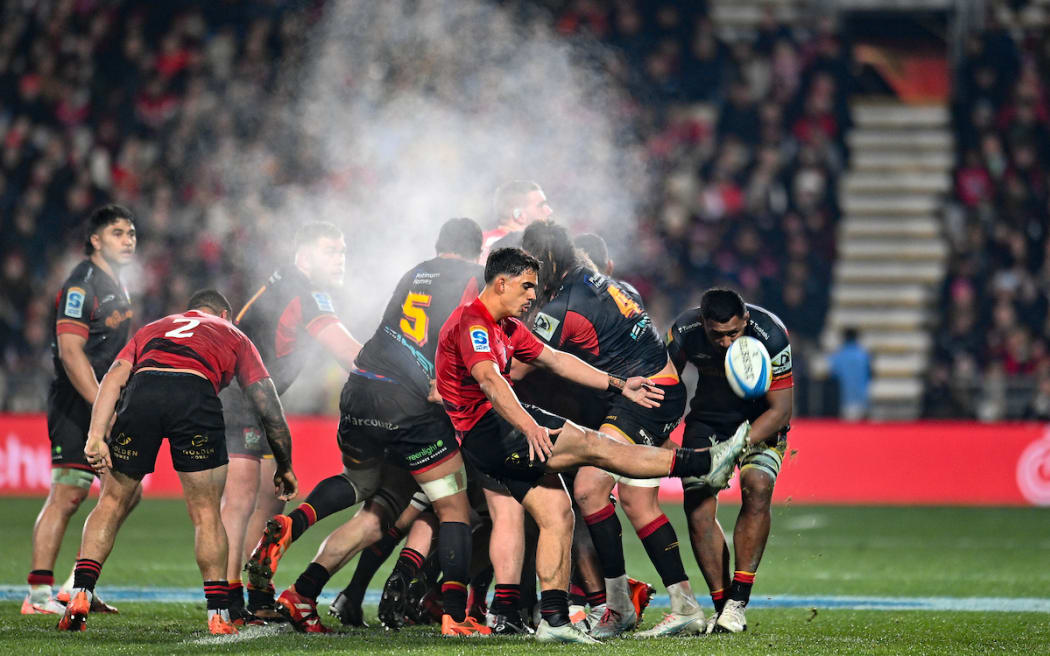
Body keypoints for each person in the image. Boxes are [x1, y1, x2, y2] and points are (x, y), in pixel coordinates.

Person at [435, 248, 749, 644]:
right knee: (594, 446)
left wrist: (620, 384)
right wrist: (529, 425)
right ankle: (703, 463)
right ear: (502, 283)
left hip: (495, 432)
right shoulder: (473, 322)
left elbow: (557, 360)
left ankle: (553, 620)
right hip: (491, 431)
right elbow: (492, 382)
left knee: (558, 513)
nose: (533, 295)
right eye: (527, 286)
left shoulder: (508, 326)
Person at [245, 217, 490, 636]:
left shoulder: (414, 273)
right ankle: (455, 615)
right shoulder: (476, 278)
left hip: (360, 391)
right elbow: (469, 335)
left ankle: (300, 576)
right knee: (452, 507)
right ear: (477, 251)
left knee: (372, 496)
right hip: (412, 404)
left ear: (438, 244)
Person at [55, 290, 298, 635]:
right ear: (224, 314)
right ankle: (218, 615)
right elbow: (269, 405)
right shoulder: (233, 333)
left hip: (143, 391)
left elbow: (113, 377)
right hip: (194, 394)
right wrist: (284, 464)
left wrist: (96, 435)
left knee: (110, 501)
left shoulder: (154, 328)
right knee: (206, 512)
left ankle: (80, 594)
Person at [520, 222, 705, 638]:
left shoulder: (560, 308)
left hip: (645, 396)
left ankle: (618, 607)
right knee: (640, 505)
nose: (530, 280)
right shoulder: (600, 280)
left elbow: (517, 366)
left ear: (547, 260)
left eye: (533, 267)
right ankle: (683, 606)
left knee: (587, 488)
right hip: (661, 388)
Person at [219, 221, 362, 622]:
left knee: (269, 499)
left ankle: (256, 593)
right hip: (238, 398)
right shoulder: (308, 292)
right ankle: (228, 600)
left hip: (257, 400)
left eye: (342, 250)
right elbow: (349, 356)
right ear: (304, 257)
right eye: (330, 251)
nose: (340, 258)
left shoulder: (285, 282)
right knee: (242, 501)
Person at [24, 204, 137, 616]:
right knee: (68, 493)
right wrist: (101, 409)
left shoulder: (117, 284)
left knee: (128, 489)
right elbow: (72, 353)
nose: (128, 240)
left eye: (131, 234)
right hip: (79, 400)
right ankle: (37, 596)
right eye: (118, 233)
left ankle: (77, 585)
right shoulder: (81, 285)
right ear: (95, 240)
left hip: (103, 401)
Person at [666, 288, 793, 633]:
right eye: (716, 335)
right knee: (697, 505)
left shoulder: (772, 333)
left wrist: (735, 448)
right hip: (707, 420)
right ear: (703, 322)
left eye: (733, 333)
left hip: (759, 421)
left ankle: (738, 600)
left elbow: (781, 409)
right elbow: (664, 385)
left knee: (758, 485)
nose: (724, 342)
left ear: (746, 321)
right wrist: (661, 432)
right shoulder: (683, 331)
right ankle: (723, 607)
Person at [480, 180, 554, 260]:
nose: (550, 211)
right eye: (541, 205)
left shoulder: (477, 243)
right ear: (519, 215)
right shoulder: (525, 251)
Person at [827, 327, 872, 421]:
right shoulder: (864, 355)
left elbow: (832, 377)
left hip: (843, 401)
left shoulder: (837, 356)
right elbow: (870, 375)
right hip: (862, 400)